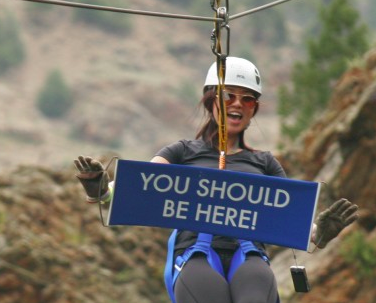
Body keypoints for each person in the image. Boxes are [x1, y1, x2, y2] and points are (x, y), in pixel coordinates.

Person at [73, 57, 359, 303]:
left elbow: (285, 218)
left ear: (253, 109)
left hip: (248, 255)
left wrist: (318, 233)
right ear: (211, 100)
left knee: (255, 287)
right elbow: (136, 190)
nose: (237, 104)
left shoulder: (265, 163)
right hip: (196, 254)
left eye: (247, 98)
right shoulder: (181, 152)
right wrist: (100, 190)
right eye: (228, 96)